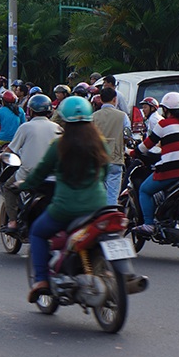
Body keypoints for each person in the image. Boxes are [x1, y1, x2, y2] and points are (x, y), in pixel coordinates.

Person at [21, 96, 109, 303]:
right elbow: (105, 171)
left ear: (64, 120)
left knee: (38, 232)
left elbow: (40, 172)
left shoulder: (59, 145)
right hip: (98, 207)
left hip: (65, 208)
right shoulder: (100, 143)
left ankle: (41, 280)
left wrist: (24, 185)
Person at [131, 92, 179, 236]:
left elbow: (146, 146)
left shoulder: (163, 124)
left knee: (145, 190)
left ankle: (148, 224)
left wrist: (132, 152)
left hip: (172, 170)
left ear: (165, 109)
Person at [0, 94, 62, 234]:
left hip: (28, 174)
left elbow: (10, 149)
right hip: (54, 176)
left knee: (9, 188)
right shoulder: (57, 128)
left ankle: (13, 222)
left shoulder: (26, 127)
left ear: (31, 111)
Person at [93, 87, 130, 204]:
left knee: (98, 194)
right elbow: (128, 136)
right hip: (115, 159)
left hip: (97, 160)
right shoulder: (122, 116)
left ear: (101, 100)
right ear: (115, 99)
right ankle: (111, 216)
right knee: (112, 195)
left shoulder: (93, 116)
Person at [0, 90, 26, 168]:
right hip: (16, 141)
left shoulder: (0, 111)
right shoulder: (20, 111)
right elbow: (24, 125)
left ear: (3, 101)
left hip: (2, 140)